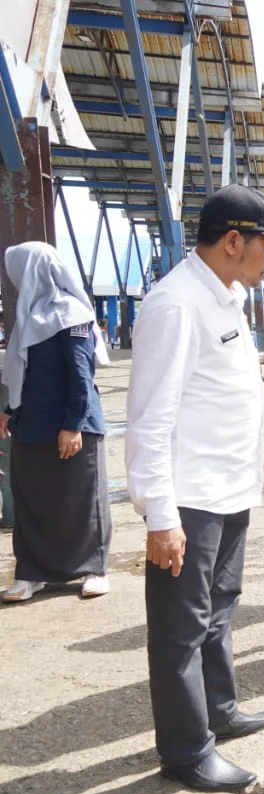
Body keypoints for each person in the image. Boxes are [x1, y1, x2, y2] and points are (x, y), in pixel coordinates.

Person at [126, 183, 264, 793]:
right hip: (190, 496)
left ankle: (220, 710)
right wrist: (160, 516)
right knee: (179, 630)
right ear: (233, 241)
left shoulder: (225, 297)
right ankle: (187, 752)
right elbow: (150, 418)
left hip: (229, 488)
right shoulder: (176, 305)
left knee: (219, 610)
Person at [0, 242, 112, 603]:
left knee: (82, 502)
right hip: (31, 424)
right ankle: (31, 573)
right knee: (32, 501)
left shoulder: (72, 313)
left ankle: (94, 569)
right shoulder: (29, 316)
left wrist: (74, 424)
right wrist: (9, 409)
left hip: (73, 424)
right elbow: (24, 372)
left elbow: (81, 374)